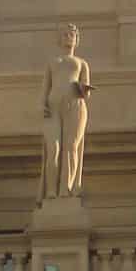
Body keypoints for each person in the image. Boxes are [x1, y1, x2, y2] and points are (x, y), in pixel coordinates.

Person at [40, 23, 93, 200]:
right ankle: (50, 191)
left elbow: (87, 91)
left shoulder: (82, 63)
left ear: (77, 40)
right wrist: (42, 105)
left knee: (71, 147)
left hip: (75, 106)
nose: (69, 37)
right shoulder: (52, 62)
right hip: (53, 107)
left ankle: (66, 189)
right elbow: (45, 87)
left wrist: (84, 88)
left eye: (72, 35)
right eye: (65, 35)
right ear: (59, 39)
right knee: (53, 149)